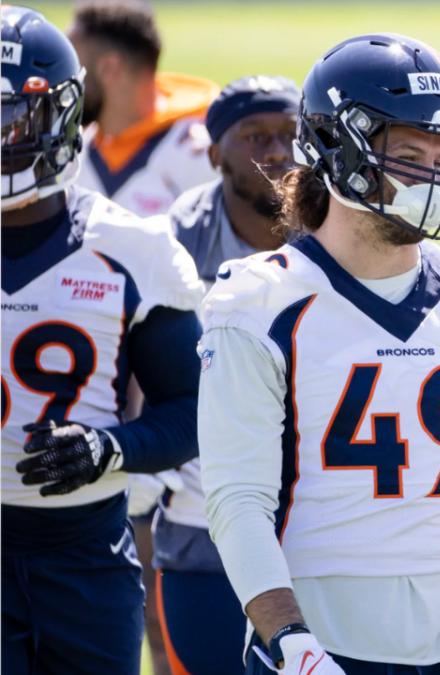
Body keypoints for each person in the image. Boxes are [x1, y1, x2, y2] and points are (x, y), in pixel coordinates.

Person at [198, 34, 440, 675]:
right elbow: (238, 500)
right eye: (407, 154)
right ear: (337, 149)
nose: (433, 174)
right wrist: (290, 640)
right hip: (322, 641)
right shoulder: (261, 299)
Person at [1, 7, 205, 674]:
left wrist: (109, 447)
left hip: (85, 551)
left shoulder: (131, 248)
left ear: (60, 115)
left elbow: (192, 408)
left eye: (12, 117)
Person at [154, 74, 301, 675]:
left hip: (312, 507)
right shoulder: (173, 243)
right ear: (214, 154)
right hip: (201, 508)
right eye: (254, 136)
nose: (275, 152)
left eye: (290, 135)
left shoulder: (339, 225)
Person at [68, 0, 218, 217]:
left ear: (109, 68)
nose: (64, 81)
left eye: (73, 65)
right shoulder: (73, 154)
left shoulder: (202, 156)